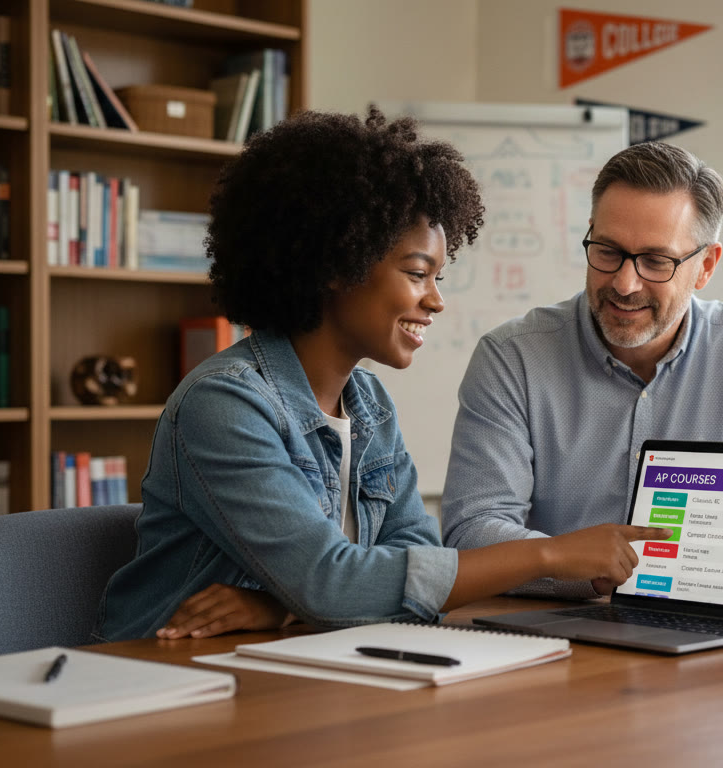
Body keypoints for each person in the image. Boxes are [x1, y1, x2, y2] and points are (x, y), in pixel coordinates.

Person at [93, 109, 671, 642]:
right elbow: (334, 582)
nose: (436, 301)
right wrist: (552, 556)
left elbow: (419, 572)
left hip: (286, 662)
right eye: (418, 274)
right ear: (337, 266)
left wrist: (282, 606)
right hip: (161, 673)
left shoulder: (367, 404)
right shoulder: (224, 405)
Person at [441, 141, 723, 598]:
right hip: (552, 637)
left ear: (705, 266)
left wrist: (683, 576)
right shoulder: (512, 358)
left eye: (656, 261)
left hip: (708, 639)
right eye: (608, 251)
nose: (624, 284)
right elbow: (470, 533)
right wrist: (583, 570)